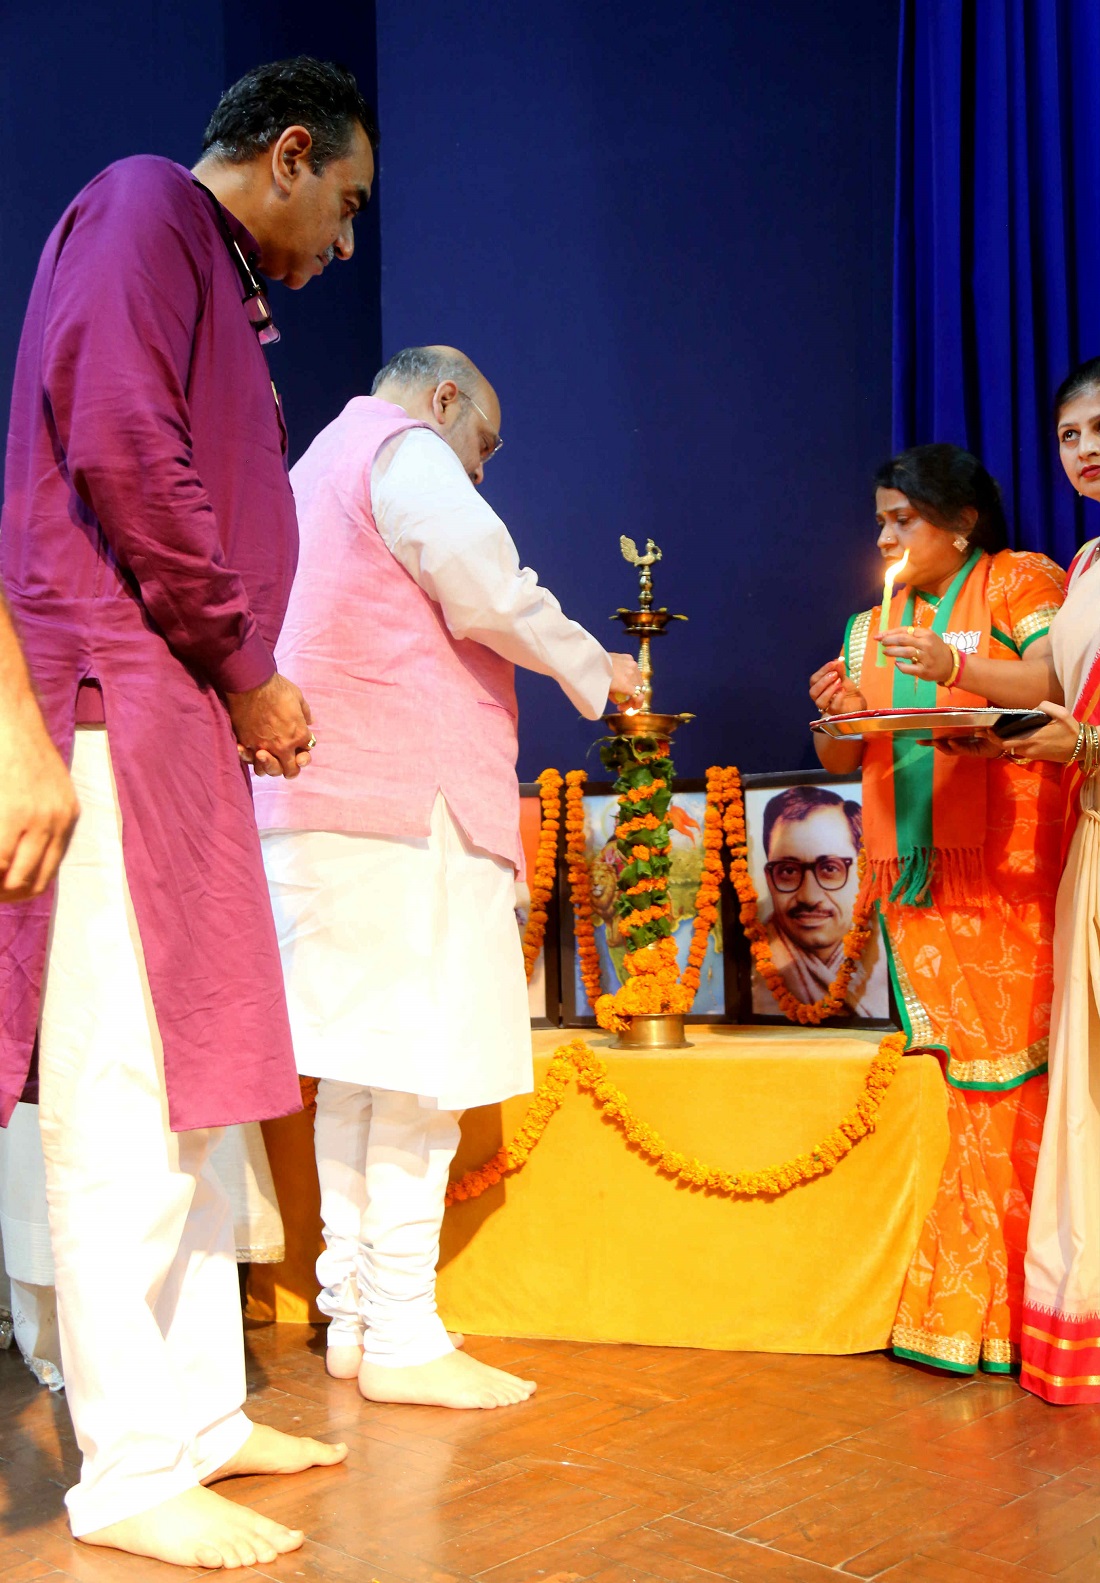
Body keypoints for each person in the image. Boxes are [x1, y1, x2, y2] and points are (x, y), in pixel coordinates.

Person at [0, 59, 379, 1569]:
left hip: (179, 711)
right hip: (120, 697)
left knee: (197, 1096)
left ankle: (200, 1412)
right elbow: (123, 446)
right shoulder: (151, 204)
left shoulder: (205, 265)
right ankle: (130, 1467)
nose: (343, 244)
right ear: (287, 154)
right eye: (342, 205)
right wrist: (244, 660)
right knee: (125, 1090)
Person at [253, 346, 643, 1410]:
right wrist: (590, 665)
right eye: (482, 448)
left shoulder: (312, 466)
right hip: (399, 810)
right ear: (443, 400)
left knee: (355, 1074)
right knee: (417, 1076)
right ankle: (405, 1332)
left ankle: (355, 1315)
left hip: (322, 811)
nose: (478, 474)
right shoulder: (403, 446)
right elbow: (485, 585)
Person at [809, 442, 1065, 1376]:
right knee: (970, 1086)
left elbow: (1048, 687)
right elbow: (847, 759)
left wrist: (950, 668)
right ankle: (972, 1306)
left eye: (901, 518)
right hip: (920, 879)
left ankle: (1026, 1304)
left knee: (1020, 1079)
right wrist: (832, 709)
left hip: (1012, 859)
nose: (883, 534)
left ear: (959, 526)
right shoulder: (868, 624)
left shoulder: (1017, 582)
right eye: (880, 518)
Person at [1014, 358, 1100, 1403]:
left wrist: (1075, 738)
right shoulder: (1081, 563)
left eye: (1099, 424)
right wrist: (942, 671)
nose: (1083, 445)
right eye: (1067, 432)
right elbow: (1046, 681)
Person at [752, 785, 889, 1017]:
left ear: (863, 871)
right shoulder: (749, 973)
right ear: (768, 877)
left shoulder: (897, 955)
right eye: (787, 871)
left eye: (829, 868)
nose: (809, 897)